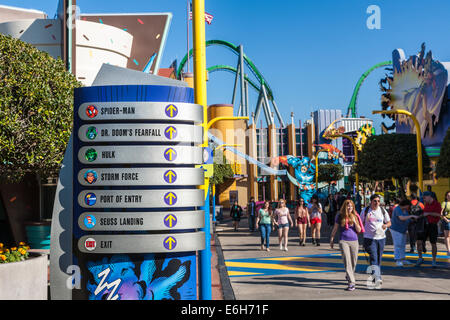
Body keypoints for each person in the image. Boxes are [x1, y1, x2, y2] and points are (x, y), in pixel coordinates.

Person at [330, 200, 362, 291]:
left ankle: (349, 275)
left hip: (354, 241)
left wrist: (355, 221)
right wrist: (332, 239)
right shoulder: (339, 216)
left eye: (351, 206)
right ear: (345, 207)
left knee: (353, 262)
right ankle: (351, 283)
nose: (349, 208)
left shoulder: (355, 216)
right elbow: (335, 228)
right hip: (343, 241)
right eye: (348, 206)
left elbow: (359, 230)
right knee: (347, 261)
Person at [360, 194, 391, 289]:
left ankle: (375, 276)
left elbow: (389, 222)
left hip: (381, 238)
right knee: (374, 257)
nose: (377, 203)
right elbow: (360, 223)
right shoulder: (365, 211)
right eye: (375, 201)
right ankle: (377, 277)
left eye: (378, 201)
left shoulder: (382, 210)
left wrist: (385, 226)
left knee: (378, 259)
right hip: (369, 238)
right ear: (371, 201)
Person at [416, 191, 442, 267]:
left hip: (433, 225)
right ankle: (420, 258)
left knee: (433, 243)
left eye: (424, 197)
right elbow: (424, 214)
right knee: (419, 241)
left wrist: (428, 213)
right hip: (424, 225)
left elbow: (439, 215)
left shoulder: (437, 204)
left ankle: (434, 260)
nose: (423, 199)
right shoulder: (426, 204)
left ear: (430, 197)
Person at [390, 199, 417, 266]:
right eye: (409, 206)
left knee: (402, 245)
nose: (409, 207)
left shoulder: (404, 210)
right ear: (406, 205)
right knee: (398, 245)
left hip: (402, 230)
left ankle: (402, 259)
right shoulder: (397, 209)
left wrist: (412, 219)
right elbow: (401, 218)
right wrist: (411, 216)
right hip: (396, 230)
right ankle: (398, 259)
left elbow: (406, 218)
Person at [441, 191, 450, 255]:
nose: (449, 196)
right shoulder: (444, 203)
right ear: (446, 196)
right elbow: (441, 213)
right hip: (447, 220)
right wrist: (445, 219)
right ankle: (448, 250)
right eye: (448, 195)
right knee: (447, 236)